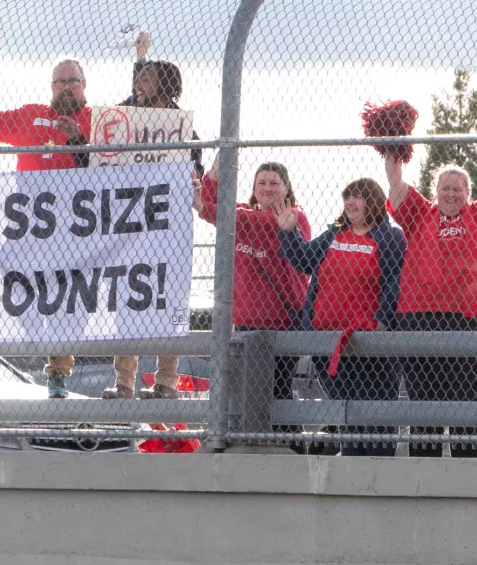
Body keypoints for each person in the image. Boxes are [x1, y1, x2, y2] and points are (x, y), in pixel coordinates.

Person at [0, 49, 90, 397]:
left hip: (75, 231)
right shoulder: (31, 115)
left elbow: (99, 166)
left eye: (72, 82)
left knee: (67, 300)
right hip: (30, 227)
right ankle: (35, 338)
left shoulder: (97, 119)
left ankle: (58, 374)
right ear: (51, 86)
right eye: (60, 82)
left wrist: (78, 137)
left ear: (84, 86)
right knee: (13, 276)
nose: (66, 88)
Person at [384, 149, 477, 457]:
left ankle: (468, 477)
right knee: (424, 404)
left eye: (458, 189)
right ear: (434, 190)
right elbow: (395, 182)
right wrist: (393, 147)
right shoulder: (419, 213)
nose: (451, 193)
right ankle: (424, 480)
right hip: (419, 318)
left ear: (468, 193)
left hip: (472, 318)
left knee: (469, 404)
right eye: (445, 187)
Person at [278, 178, 405, 457]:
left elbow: (394, 281)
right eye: (347, 197)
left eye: (358, 197)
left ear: (373, 201)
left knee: (373, 420)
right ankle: (351, 469)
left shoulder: (390, 237)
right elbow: (304, 259)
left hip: (367, 349)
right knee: (346, 414)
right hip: (327, 345)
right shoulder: (335, 233)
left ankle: (375, 475)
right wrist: (289, 232)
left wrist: (382, 320)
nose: (350, 202)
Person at [198, 157, 310, 435]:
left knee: (276, 390)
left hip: (281, 325)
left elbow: (247, 221)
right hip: (246, 324)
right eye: (261, 182)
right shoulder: (244, 214)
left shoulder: (293, 218)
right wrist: (214, 172)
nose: (267, 188)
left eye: (274, 183)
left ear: (286, 188)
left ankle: (291, 449)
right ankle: (256, 448)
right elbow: (218, 202)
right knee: (247, 394)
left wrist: (203, 207)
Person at [111, 30, 194, 399]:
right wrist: (140, 57)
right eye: (138, 79)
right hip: (132, 222)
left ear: (164, 85)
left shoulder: (180, 125)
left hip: (168, 226)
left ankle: (166, 381)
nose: (139, 85)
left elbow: (196, 166)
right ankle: (124, 382)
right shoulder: (129, 115)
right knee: (127, 296)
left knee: (170, 297)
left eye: (146, 79)